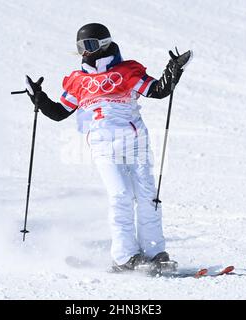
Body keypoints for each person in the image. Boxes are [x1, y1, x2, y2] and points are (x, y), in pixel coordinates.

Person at [25, 23, 191, 272]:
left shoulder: (127, 71)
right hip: (103, 145)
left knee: (148, 196)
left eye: (89, 45)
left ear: (103, 44)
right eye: (80, 47)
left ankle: (156, 253)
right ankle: (125, 257)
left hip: (136, 143)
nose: (84, 52)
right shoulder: (78, 81)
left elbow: (157, 91)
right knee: (120, 194)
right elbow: (60, 113)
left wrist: (173, 69)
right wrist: (39, 98)